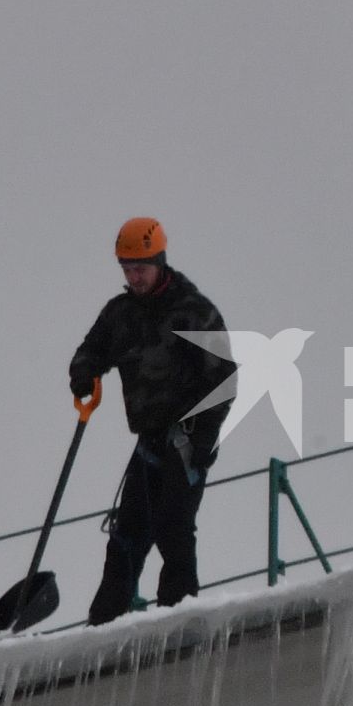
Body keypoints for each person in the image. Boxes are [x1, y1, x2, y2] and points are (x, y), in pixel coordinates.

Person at [69, 218, 238, 624]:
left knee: (173, 528)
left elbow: (225, 381)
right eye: (127, 269)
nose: (134, 277)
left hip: (187, 438)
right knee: (126, 535)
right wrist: (82, 372)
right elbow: (92, 349)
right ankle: (102, 626)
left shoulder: (194, 311)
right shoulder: (120, 313)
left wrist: (200, 441)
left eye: (140, 268)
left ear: (160, 262)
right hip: (149, 440)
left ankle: (178, 619)